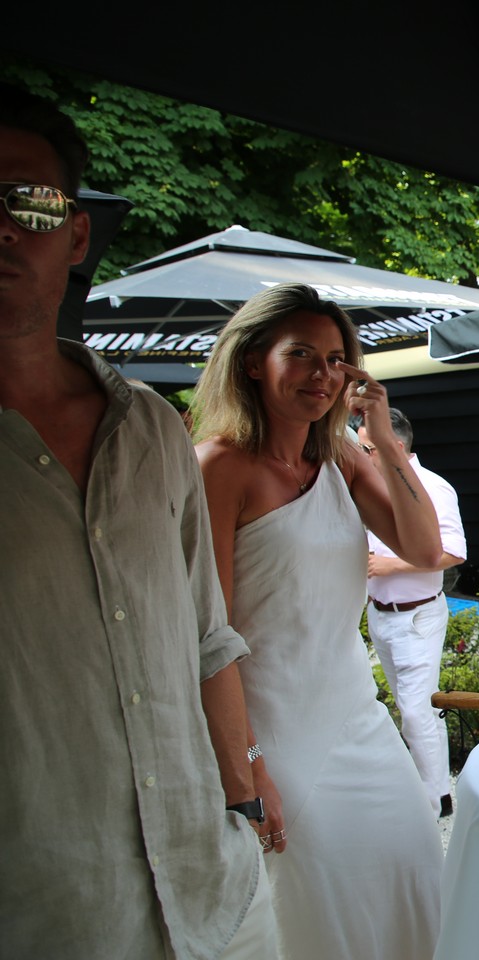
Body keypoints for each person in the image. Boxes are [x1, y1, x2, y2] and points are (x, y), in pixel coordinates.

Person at [0, 84, 279, 957]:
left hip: (216, 889)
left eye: (28, 202)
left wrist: (243, 796)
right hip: (54, 909)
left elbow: (206, 633)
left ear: (77, 234)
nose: (3, 227)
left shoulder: (152, 427)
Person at [192, 282, 444, 959]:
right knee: (320, 910)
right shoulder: (219, 467)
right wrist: (246, 767)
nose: (323, 374)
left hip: (357, 715)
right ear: (253, 361)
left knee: (415, 867)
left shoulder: (340, 457)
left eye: (336, 359)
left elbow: (424, 551)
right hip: (273, 731)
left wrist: (383, 439)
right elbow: (206, 632)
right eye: (301, 353)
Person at [361, 407, 466, 819]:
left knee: (416, 711)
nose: (361, 456)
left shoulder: (433, 488)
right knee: (412, 709)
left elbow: (454, 552)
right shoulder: (370, 487)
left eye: (367, 448)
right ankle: (434, 791)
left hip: (417, 616)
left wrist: (392, 565)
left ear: (395, 446)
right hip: (379, 613)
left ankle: (434, 802)